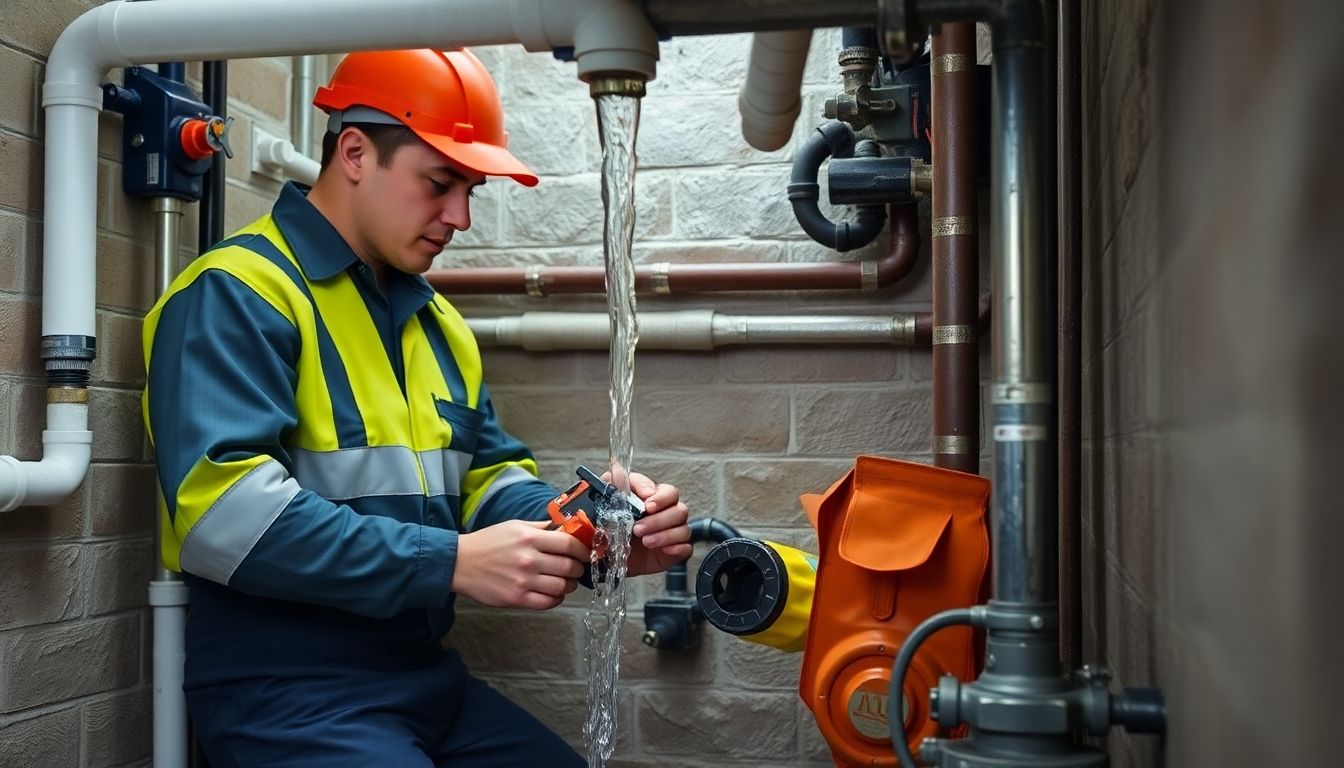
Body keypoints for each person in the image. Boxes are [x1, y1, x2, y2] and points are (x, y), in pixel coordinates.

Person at [142, 48, 692, 767]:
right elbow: (225, 521)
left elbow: (488, 481)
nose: (459, 216)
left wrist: (594, 532)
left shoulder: (437, 325)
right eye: (440, 184)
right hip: (285, 694)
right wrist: (450, 563)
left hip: (426, 682)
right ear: (356, 152)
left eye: (467, 189)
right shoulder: (238, 293)